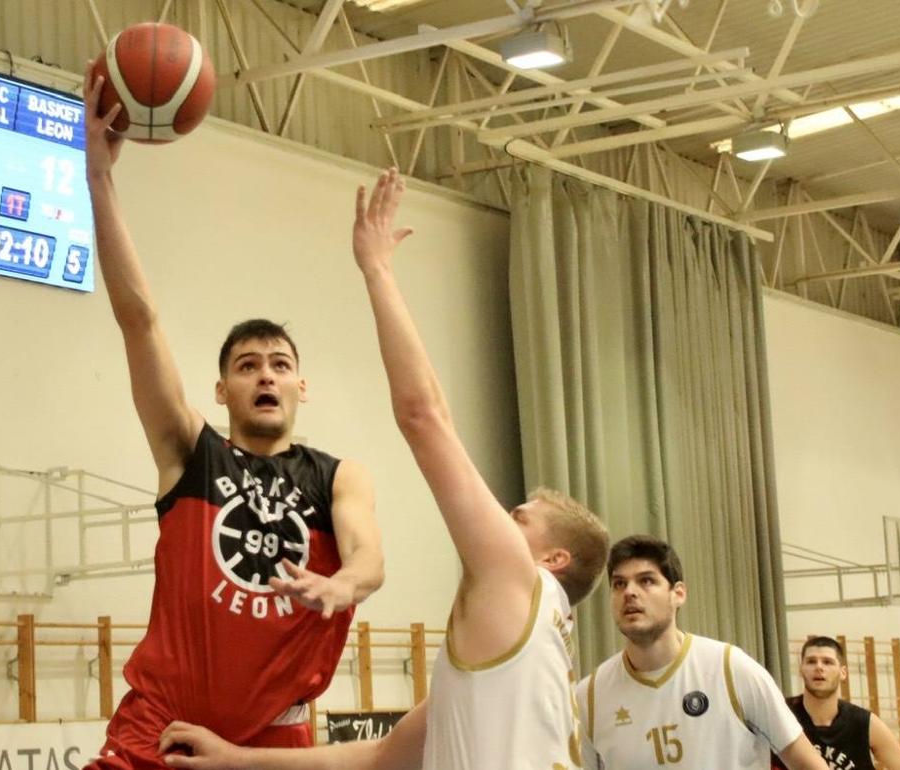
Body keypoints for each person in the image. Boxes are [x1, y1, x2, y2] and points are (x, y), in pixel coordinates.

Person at [156, 169, 610, 770]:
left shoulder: (513, 578)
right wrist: (236, 758)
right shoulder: (515, 650)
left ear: (552, 560)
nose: (502, 516)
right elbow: (378, 757)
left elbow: (424, 416)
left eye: (521, 518)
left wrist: (377, 270)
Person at [82, 63, 385, 768]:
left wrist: (338, 585)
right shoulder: (192, 455)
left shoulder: (338, 476)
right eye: (247, 366)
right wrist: (99, 177)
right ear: (221, 391)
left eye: (279, 364)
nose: (266, 376)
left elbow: (368, 556)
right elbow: (139, 320)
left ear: (302, 386)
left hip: (272, 736)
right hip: (160, 724)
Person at [579, 535, 828, 770]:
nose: (629, 592)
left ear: (678, 594)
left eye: (646, 580)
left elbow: (808, 764)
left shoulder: (732, 668)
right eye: (619, 584)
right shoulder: (589, 696)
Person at [772, 636, 900, 770]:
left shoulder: (865, 723)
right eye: (811, 661)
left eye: (827, 662)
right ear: (801, 669)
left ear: (843, 672)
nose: (819, 667)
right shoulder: (780, 715)